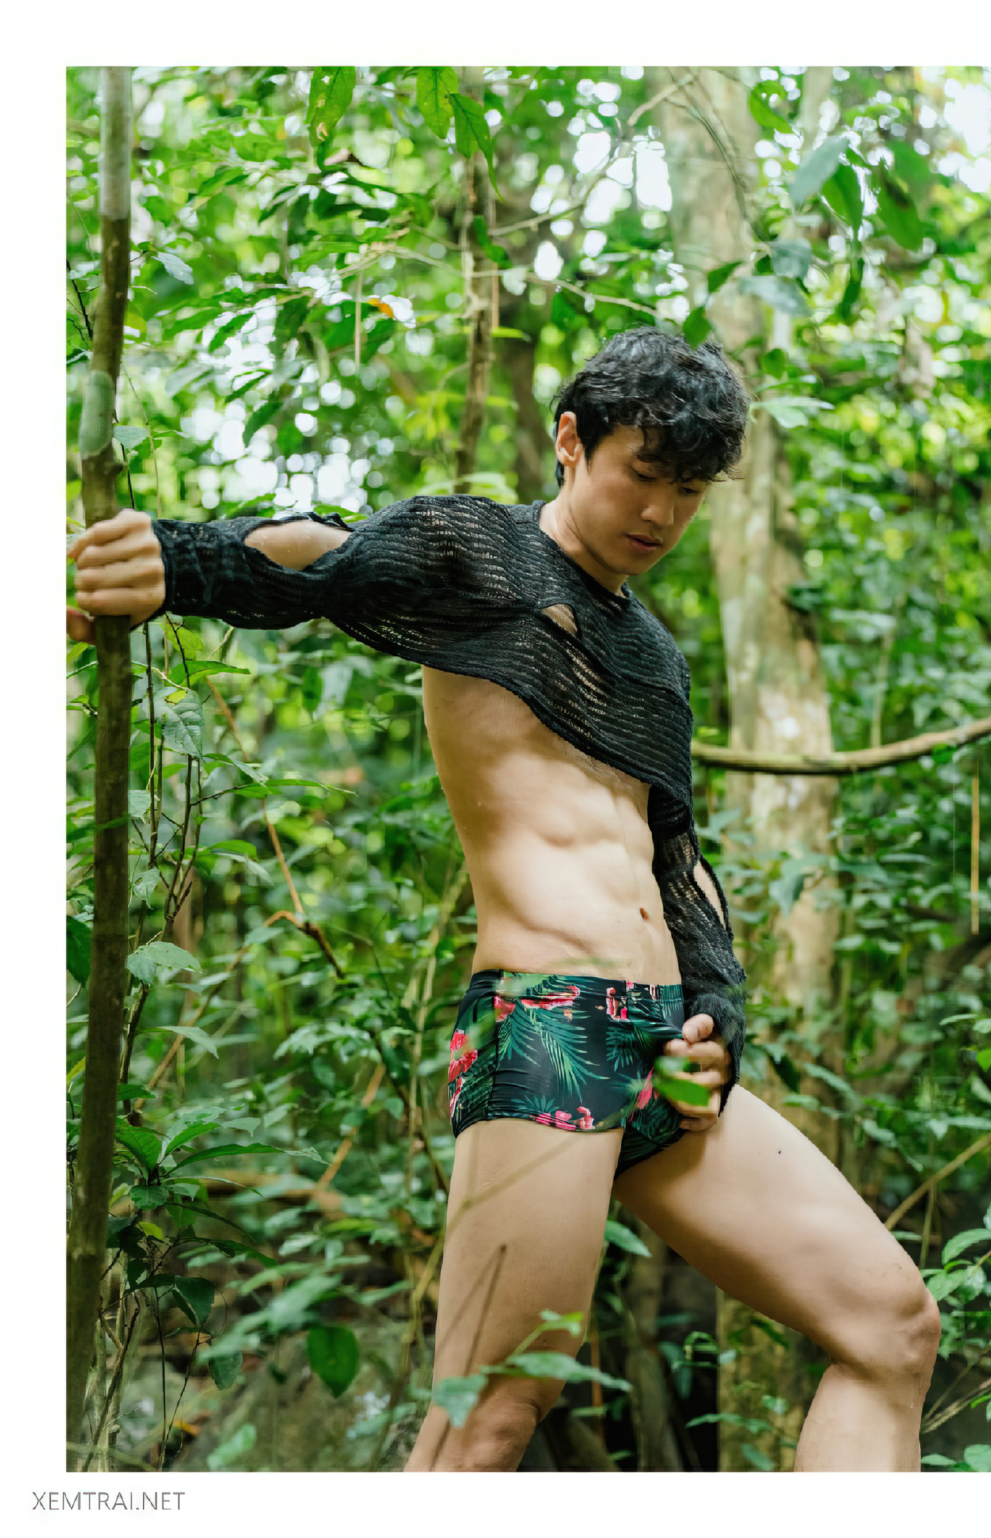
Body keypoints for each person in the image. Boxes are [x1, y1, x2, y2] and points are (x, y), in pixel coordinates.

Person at [68, 328, 940, 1472]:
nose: (661, 514)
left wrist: (718, 1011)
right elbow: (325, 552)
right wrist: (174, 561)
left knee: (891, 1326)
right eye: (642, 474)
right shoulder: (476, 553)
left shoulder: (654, 652)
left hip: (662, 1050)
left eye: (687, 491)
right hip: (547, 1024)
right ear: (571, 440)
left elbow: (673, 854)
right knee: (489, 1413)